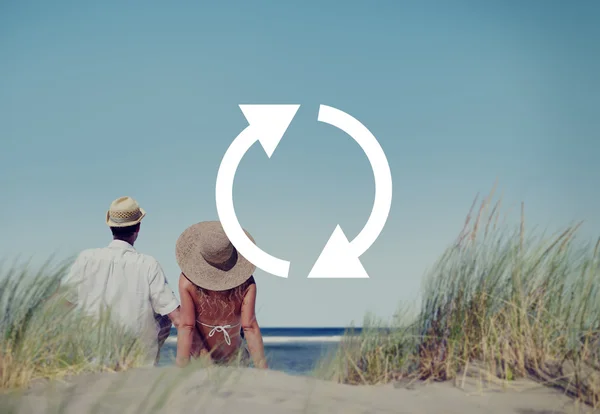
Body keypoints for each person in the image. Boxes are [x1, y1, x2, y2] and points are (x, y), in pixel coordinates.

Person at [63, 196, 181, 366]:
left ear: (110, 226)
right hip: (138, 363)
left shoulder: (86, 259)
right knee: (164, 315)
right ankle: (150, 360)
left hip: (92, 361)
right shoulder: (148, 264)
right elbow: (176, 317)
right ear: (138, 227)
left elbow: (60, 306)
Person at [174, 221, 267, 369]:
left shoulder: (187, 283)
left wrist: (180, 369)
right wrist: (263, 371)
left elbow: (186, 326)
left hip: (203, 361)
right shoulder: (246, 284)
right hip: (235, 358)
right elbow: (249, 327)